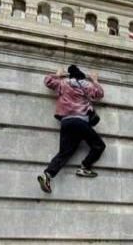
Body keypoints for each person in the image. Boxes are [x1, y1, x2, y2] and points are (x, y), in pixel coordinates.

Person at [37, 65, 106, 193]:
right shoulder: (86, 85)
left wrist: (57, 75)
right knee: (99, 145)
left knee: (65, 152)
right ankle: (85, 166)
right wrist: (95, 80)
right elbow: (99, 94)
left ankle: (47, 175)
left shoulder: (63, 83)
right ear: (81, 76)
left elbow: (48, 81)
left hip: (66, 122)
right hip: (80, 121)